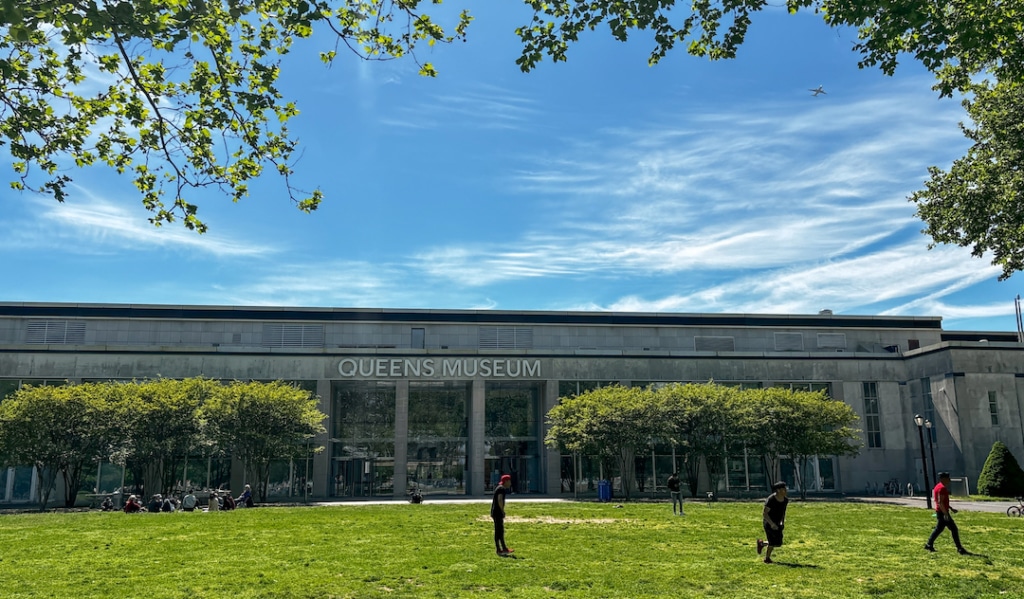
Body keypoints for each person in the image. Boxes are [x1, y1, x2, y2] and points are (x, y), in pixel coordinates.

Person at [925, 472, 969, 554]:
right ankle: (960, 548)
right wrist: (946, 514)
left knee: (939, 529)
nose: (949, 480)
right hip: (942, 512)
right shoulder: (942, 488)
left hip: (940, 511)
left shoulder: (937, 487)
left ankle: (929, 544)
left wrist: (951, 508)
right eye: (947, 478)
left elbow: (943, 502)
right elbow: (940, 502)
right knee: (954, 529)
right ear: (943, 479)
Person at [756, 481, 789, 564]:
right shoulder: (771, 500)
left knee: (778, 543)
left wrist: (782, 522)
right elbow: (765, 513)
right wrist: (771, 524)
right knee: (772, 541)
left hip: (777, 522)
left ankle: (762, 544)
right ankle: (767, 559)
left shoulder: (785, 500)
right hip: (769, 522)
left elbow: (783, 512)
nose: (785, 490)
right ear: (778, 490)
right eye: (783, 489)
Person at [491, 473, 513, 556]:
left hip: (496, 512)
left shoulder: (500, 488)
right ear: (506, 481)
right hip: (497, 512)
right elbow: (500, 500)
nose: (510, 483)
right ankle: (498, 549)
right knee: (498, 531)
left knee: (501, 531)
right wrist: (502, 510)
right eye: (509, 481)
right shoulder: (501, 489)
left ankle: (504, 548)